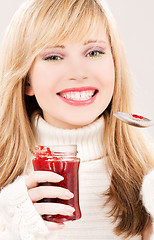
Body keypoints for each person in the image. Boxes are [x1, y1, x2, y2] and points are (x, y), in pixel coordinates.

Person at [0, 0, 153, 239]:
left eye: (94, 52)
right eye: (53, 56)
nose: (78, 72)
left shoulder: (147, 173)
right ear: (26, 79)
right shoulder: (4, 178)